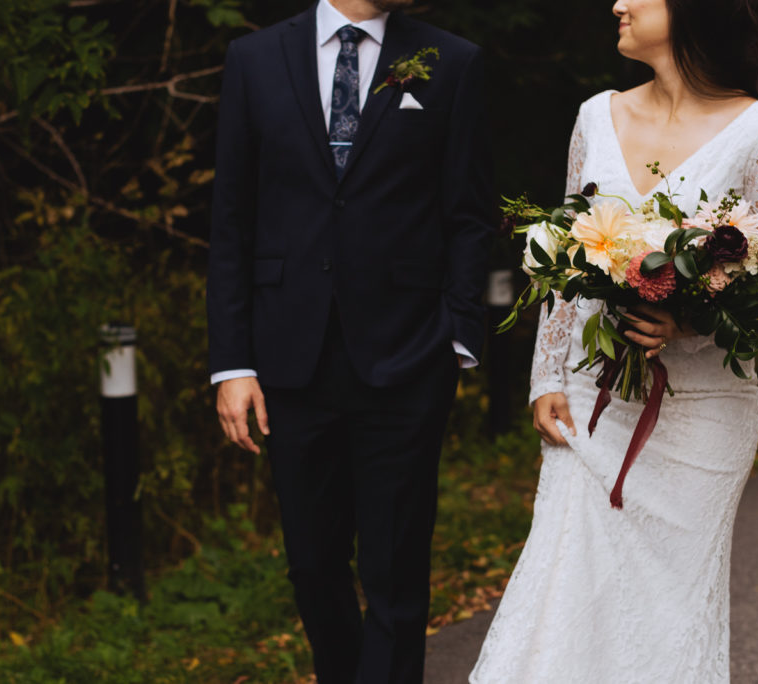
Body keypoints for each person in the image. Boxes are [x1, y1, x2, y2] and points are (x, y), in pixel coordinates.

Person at [471, 0, 758, 681]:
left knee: (670, 614)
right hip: (593, 399)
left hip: (703, 412)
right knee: (563, 590)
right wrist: (545, 377)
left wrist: (687, 320)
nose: (617, 4)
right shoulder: (598, 114)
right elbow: (563, 262)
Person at [207, 0, 493, 680]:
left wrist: (456, 335)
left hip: (408, 354)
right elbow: (231, 220)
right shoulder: (254, 60)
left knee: (396, 569)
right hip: (288, 357)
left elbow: (471, 214)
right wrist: (231, 362)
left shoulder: (452, 62)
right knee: (312, 563)